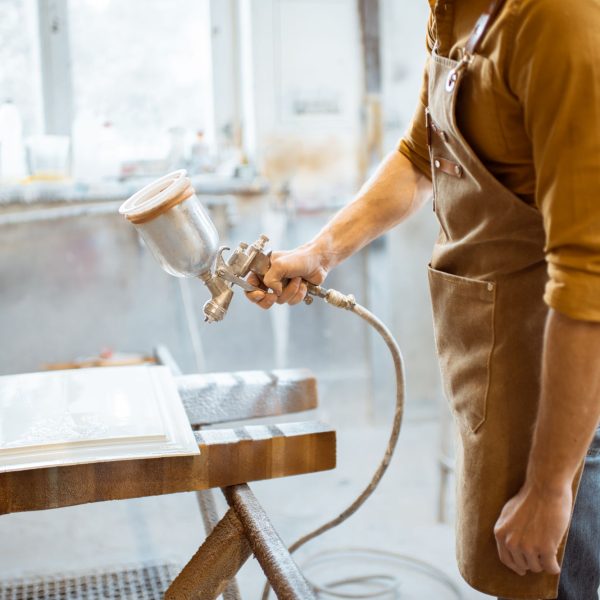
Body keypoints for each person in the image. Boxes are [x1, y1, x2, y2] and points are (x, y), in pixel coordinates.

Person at [245, 0, 600, 598]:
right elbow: (419, 156)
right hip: (500, 358)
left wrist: (549, 488)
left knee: (558, 579)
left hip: (571, 394)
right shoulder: (451, 9)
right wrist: (321, 251)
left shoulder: (558, 22)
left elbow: (589, 282)